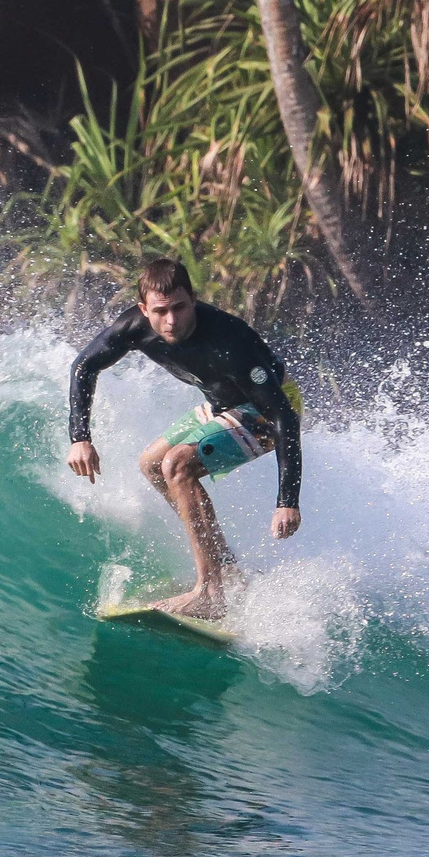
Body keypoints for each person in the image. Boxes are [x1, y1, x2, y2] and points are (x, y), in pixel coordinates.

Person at [66, 257, 301, 619]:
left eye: (180, 307)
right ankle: (225, 569)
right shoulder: (134, 327)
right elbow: (84, 366)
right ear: (144, 309)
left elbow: (284, 416)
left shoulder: (231, 340)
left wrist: (287, 501)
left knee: (177, 464)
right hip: (223, 403)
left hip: (270, 409)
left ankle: (210, 591)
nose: (171, 320)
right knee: (152, 463)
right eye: (161, 311)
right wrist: (80, 438)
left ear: (193, 299)